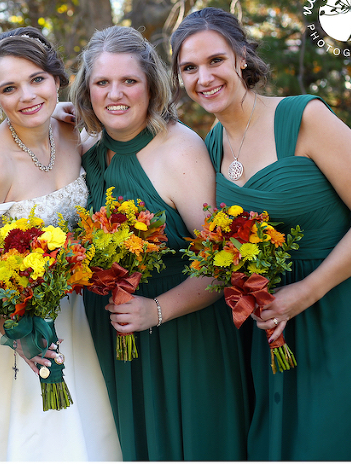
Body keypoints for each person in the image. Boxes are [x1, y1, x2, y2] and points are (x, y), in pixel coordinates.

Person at [170, 6, 351, 460]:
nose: (204, 77)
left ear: (241, 56)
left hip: (343, 306)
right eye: (189, 68)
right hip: (271, 319)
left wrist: (306, 291)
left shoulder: (304, 117)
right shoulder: (206, 148)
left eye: (215, 60)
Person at [70, 25, 250, 460]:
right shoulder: (85, 148)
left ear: (151, 86)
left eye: (129, 81)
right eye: (102, 82)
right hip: (108, 331)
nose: (116, 93)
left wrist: (156, 310)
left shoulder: (179, 150)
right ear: (87, 91)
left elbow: (222, 262)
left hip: (182, 336)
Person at [0, 27, 123, 461]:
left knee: (86, 427)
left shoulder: (72, 131)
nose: (27, 96)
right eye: (9, 88)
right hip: (16, 319)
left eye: (37, 80)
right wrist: (19, 335)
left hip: (76, 310)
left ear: (56, 79)